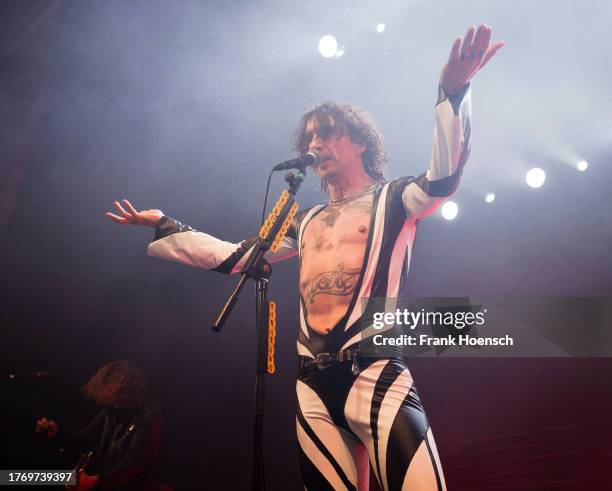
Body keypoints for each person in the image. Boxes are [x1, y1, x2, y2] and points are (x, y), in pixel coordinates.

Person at [106, 24, 503, 490]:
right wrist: (165, 225)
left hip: (374, 370)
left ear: (358, 142)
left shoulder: (394, 200)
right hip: (311, 384)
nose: (315, 144)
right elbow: (237, 258)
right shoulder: (305, 219)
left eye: (327, 134)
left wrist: (452, 95)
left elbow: (443, 179)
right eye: (310, 138)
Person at [36, 360, 162, 491]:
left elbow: (134, 461)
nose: (111, 399)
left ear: (128, 389)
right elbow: (85, 438)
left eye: (116, 393)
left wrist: (96, 480)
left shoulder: (149, 415)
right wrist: (57, 433)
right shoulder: (112, 411)